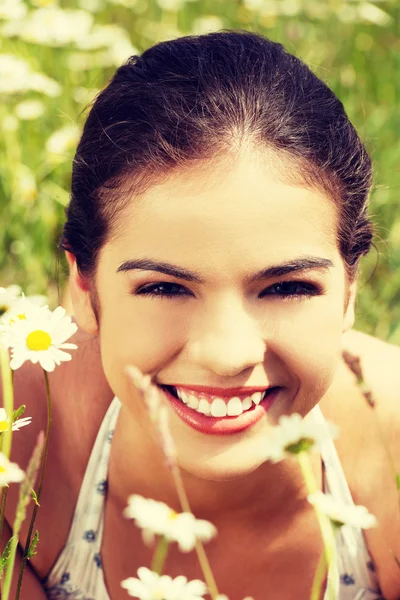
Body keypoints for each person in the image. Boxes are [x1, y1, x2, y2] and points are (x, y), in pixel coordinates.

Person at [1, 30, 400, 600]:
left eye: (287, 286)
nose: (227, 352)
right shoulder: (14, 431)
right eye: (164, 287)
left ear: (349, 291)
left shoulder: (395, 451)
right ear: (84, 287)